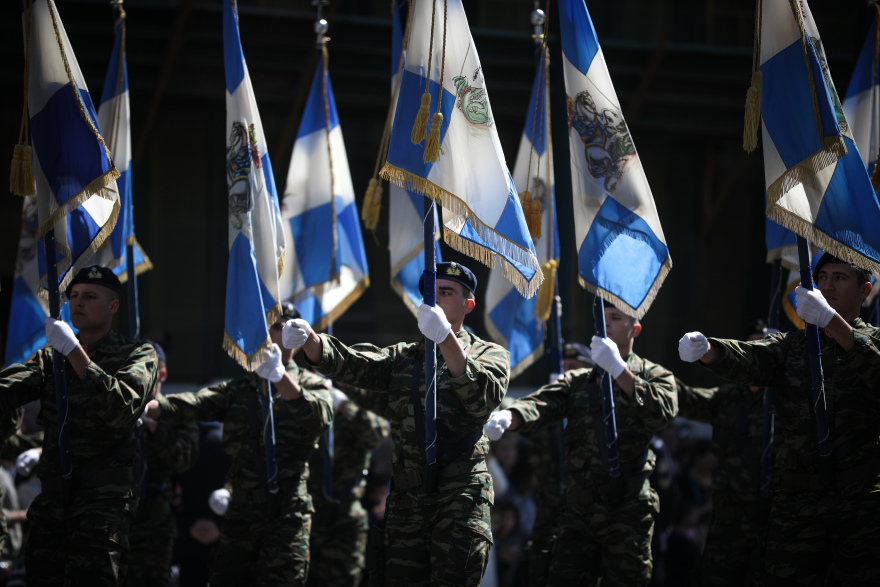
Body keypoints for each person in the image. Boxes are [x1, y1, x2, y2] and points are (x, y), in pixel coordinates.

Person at [284, 261, 510, 587]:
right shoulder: (405, 357)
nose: (435, 301)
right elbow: (356, 363)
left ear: (468, 304)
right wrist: (311, 341)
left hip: (459, 497)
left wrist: (446, 338)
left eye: (446, 293)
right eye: (430, 295)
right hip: (408, 500)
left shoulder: (490, 354)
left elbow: (479, 399)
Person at [678, 253, 880, 585]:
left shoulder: (873, 341)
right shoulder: (793, 345)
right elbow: (753, 358)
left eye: (840, 278)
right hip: (799, 503)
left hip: (859, 503)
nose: (827, 285)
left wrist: (832, 322)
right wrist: (710, 350)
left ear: (865, 290)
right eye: (823, 276)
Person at [484, 304, 678, 586]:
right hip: (579, 513)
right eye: (603, 318)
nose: (606, 324)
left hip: (627, 510)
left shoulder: (654, 375)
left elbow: (663, 411)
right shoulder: (579, 382)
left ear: (634, 329)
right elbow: (543, 404)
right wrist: (510, 416)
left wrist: (619, 370)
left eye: (616, 318)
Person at [144, 302, 333, 586]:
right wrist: (148, 408)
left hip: (286, 512)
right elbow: (195, 403)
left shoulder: (311, 384)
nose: (270, 334)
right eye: (267, 327)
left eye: (280, 328)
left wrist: (280, 378)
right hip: (240, 512)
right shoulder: (242, 389)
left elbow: (318, 418)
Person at [0, 265, 158, 586]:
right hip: (53, 504)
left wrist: (73, 350)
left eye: (89, 296)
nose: (78, 303)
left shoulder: (138, 354)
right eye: (73, 296)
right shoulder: (50, 358)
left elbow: (120, 408)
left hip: (103, 505)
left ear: (113, 306)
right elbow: (9, 388)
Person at [675, 321, 774, 587]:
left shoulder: (791, 396)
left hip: (778, 521)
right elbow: (686, 400)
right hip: (730, 521)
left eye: (763, 347)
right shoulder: (729, 398)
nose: (755, 353)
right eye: (748, 347)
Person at [124, 341, 199, 587]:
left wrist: (154, 423)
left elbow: (183, 460)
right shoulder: (119, 408)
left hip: (155, 520)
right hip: (116, 516)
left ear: (162, 374)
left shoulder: (178, 411)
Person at [522, 342, 593, 585]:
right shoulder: (547, 410)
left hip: (587, 514)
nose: (568, 373)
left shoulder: (598, 411)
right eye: (564, 368)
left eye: (575, 367)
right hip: (548, 509)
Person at [305, 385, 389, 587]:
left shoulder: (359, 394)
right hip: (306, 511)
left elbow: (377, 434)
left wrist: (344, 405)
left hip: (346, 515)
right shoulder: (305, 388)